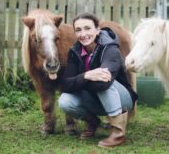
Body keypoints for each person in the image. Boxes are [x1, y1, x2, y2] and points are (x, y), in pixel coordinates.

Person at [58, 13, 138, 148]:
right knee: (64, 100)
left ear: (97, 30)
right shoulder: (75, 51)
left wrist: (78, 82)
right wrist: (86, 76)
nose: (83, 34)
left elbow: (103, 82)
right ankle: (93, 121)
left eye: (87, 28)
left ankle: (118, 133)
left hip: (121, 100)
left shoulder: (110, 48)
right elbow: (65, 85)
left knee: (105, 84)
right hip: (96, 99)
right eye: (78, 30)